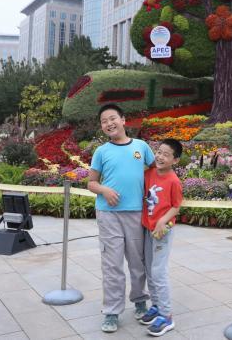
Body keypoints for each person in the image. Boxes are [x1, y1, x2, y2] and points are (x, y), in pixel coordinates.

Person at [88, 104, 155, 333]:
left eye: (113, 118)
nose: (109, 123)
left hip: (136, 214)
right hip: (108, 215)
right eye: (104, 121)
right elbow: (91, 183)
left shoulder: (141, 147)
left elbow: (157, 172)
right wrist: (104, 191)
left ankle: (139, 301)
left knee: (138, 262)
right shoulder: (101, 152)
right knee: (112, 264)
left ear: (124, 120)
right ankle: (112, 312)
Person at [138, 139, 183, 337]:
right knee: (149, 267)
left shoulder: (173, 180)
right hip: (148, 228)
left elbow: (176, 207)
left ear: (175, 160)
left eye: (166, 154)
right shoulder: (149, 174)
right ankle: (156, 305)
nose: (160, 156)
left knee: (158, 271)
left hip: (162, 231)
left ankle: (166, 316)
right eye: (159, 151)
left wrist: (162, 221)